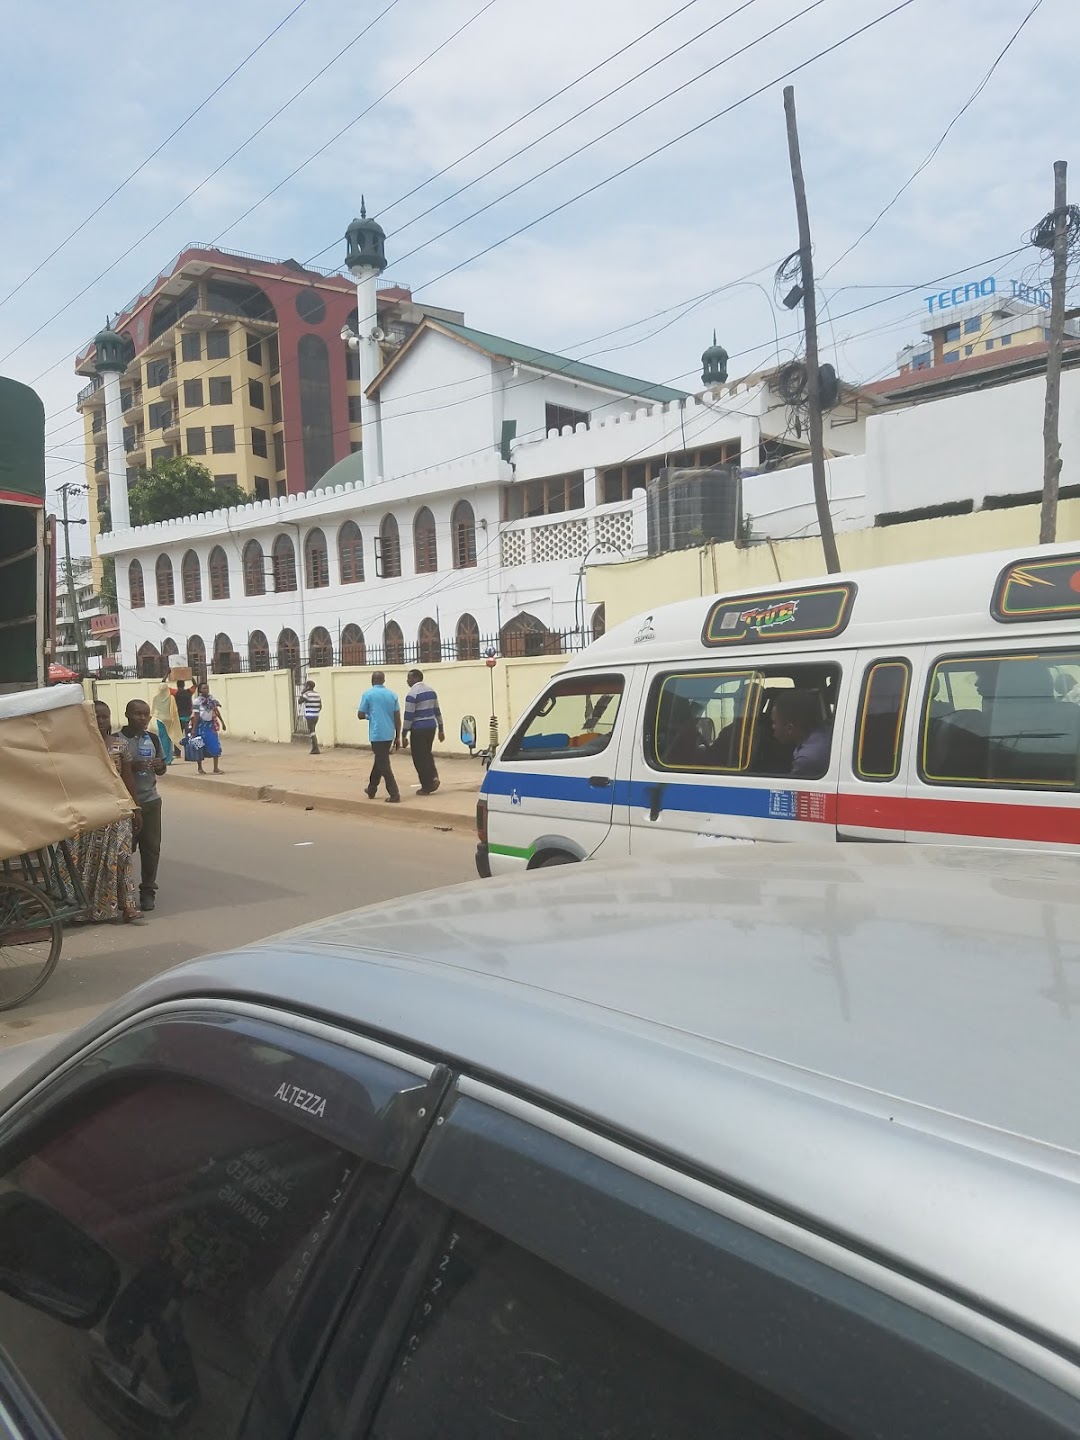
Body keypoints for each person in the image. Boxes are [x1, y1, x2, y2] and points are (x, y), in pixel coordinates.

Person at [68, 700, 143, 923]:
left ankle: (128, 906)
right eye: (96, 716)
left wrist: (135, 808)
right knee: (85, 860)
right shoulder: (78, 747)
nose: (101, 721)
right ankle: (83, 907)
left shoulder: (119, 745)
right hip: (89, 811)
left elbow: (127, 779)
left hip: (117, 810)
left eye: (105, 717)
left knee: (122, 855)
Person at [119, 698, 167, 913]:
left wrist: (160, 765)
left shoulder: (153, 739)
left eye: (146, 714)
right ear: (128, 715)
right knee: (123, 851)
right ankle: (121, 894)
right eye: (138, 714)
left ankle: (147, 892)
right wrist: (130, 767)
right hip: (125, 805)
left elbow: (162, 770)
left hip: (150, 801)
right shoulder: (117, 740)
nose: (142, 718)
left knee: (151, 850)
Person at [358, 670, 401, 803]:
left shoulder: (368, 694)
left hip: (376, 734)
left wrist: (369, 715)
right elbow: (397, 717)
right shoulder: (392, 695)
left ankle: (394, 793)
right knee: (380, 761)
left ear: (372, 680)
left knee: (384, 764)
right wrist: (398, 736)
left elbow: (360, 714)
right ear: (383, 680)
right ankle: (372, 788)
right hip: (389, 734)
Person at [769, 690, 832, 779]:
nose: (772, 727)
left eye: (774, 723)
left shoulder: (806, 759)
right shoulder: (824, 734)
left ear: (790, 728)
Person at [402, 669, 445, 795]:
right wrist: (441, 729)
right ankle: (434, 777)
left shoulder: (412, 694)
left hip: (418, 729)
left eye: (409, 678)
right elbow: (437, 710)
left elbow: (408, 716)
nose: (407, 681)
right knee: (427, 753)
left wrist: (404, 734)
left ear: (415, 678)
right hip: (431, 727)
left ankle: (427, 785)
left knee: (419, 758)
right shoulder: (431, 691)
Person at [192, 682, 226, 776]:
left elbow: (216, 711)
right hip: (200, 726)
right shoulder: (197, 701)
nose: (206, 690)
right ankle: (200, 767)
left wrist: (222, 722)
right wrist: (194, 729)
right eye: (204, 688)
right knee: (199, 746)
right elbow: (196, 715)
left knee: (215, 745)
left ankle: (215, 768)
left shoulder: (211, 700)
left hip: (210, 726)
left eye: (207, 688)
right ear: (200, 690)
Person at [150, 682, 182, 764]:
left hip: (160, 720)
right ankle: (168, 758)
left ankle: (163, 758)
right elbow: (174, 710)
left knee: (162, 738)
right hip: (169, 721)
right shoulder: (171, 698)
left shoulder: (155, 698)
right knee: (169, 738)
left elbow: (153, 710)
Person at [299, 681, 323, 755]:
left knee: (312, 731)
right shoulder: (317, 694)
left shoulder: (307, 694)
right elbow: (320, 706)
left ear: (308, 687)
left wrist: (303, 692)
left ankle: (315, 748)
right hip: (316, 715)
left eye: (306, 686)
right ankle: (314, 747)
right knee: (313, 730)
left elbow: (300, 701)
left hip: (309, 715)